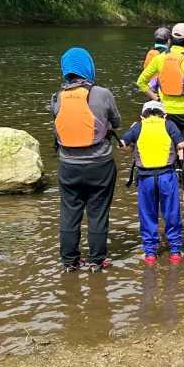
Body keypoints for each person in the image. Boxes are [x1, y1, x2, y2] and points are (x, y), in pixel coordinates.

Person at [50, 47, 122, 273]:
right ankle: (96, 261)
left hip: (68, 166)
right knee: (98, 212)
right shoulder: (102, 94)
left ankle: (69, 261)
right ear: (88, 68)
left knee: (69, 213)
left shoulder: (57, 98)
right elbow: (117, 122)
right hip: (100, 164)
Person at [136, 22, 184, 197]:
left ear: (171, 40)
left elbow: (141, 82)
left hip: (166, 113)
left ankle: (168, 188)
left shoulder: (159, 59)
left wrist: (155, 98)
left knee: (170, 150)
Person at [121, 100, 184, 265]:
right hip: (167, 176)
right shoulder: (168, 125)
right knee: (171, 213)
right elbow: (181, 144)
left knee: (147, 214)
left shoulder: (138, 126)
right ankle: (175, 252)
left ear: (143, 115)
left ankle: (150, 254)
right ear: (163, 114)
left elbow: (123, 144)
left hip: (146, 178)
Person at [142, 26, 172, 94]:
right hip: (162, 89)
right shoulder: (167, 54)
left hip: (150, 89)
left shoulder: (150, 53)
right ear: (169, 41)